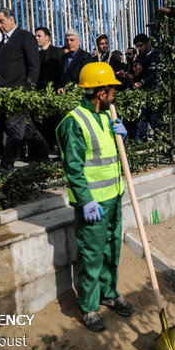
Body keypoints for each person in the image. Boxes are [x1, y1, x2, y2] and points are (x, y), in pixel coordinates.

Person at [55, 62, 133, 332]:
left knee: (112, 248)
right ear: (100, 92)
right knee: (91, 255)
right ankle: (89, 307)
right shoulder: (73, 122)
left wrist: (124, 134)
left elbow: (111, 156)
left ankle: (109, 293)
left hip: (114, 197)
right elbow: (73, 168)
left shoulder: (108, 115)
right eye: (112, 87)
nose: (115, 92)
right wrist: (86, 200)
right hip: (93, 204)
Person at [0, 8, 48, 173]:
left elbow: (33, 65)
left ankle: (6, 165)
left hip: (20, 93)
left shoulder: (25, 36)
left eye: (1, 21)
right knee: (27, 127)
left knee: (14, 126)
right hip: (5, 95)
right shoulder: (0, 45)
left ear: (12, 19)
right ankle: (44, 157)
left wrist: (28, 90)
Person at [35, 26, 65, 154]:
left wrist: (60, 86)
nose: (36, 38)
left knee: (57, 121)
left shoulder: (57, 52)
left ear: (47, 38)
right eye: (35, 36)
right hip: (41, 94)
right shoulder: (36, 54)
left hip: (55, 93)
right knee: (44, 122)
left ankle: (60, 150)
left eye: (39, 36)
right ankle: (47, 148)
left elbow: (62, 71)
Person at [133, 33, 163, 142]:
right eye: (137, 46)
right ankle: (138, 145)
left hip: (157, 94)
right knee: (142, 121)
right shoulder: (139, 58)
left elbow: (158, 74)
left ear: (147, 43)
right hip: (144, 97)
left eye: (141, 45)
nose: (139, 49)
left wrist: (142, 82)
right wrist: (136, 74)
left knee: (156, 122)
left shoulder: (157, 55)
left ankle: (165, 144)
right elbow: (136, 74)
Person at [56, 29, 92, 93]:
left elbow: (83, 77)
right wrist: (59, 87)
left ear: (78, 41)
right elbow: (59, 74)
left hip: (78, 93)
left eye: (72, 40)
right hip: (63, 95)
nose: (69, 43)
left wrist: (68, 89)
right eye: (67, 40)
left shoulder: (85, 56)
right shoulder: (63, 57)